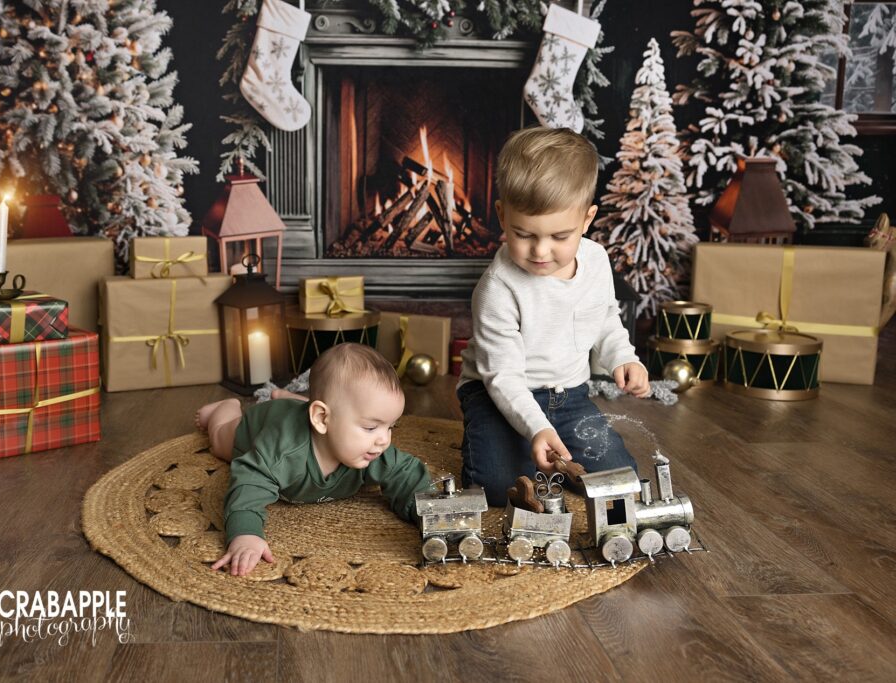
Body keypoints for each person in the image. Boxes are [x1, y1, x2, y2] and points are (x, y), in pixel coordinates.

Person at [458, 126, 650, 506]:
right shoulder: (498, 288)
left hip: (569, 395)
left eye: (560, 237)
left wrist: (623, 357)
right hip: (496, 392)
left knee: (620, 480)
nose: (541, 251)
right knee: (498, 488)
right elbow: (503, 378)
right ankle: (494, 438)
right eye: (524, 234)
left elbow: (605, 319)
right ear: (502, 215)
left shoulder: (596, 261)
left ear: (586, 219)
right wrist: (536, 428)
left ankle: (542, 440)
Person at [194, 343, 433, 576]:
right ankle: (225, 408)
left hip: (312, 416)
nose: (384, 440)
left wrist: (427, 511)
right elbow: (248, 485)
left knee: (328, 416)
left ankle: (288, 398)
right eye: (371, 427)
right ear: (321, 418)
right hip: (260, 425)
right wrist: (245, 534)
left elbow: (405, 474)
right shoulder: (282, 452)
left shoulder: (372, 450)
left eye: (390, 426)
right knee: (219, 442)